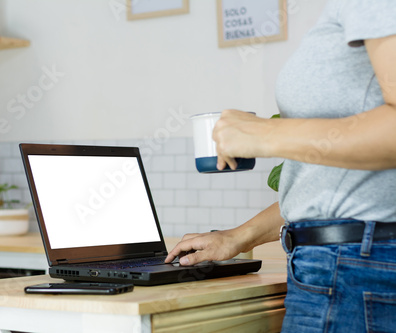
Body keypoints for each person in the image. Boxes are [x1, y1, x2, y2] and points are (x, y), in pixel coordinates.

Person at [165, 1, 396, 332]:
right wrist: (239, 237)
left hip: (353, 269)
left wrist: (264, 133)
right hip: (347, 265)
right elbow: (332, 182)